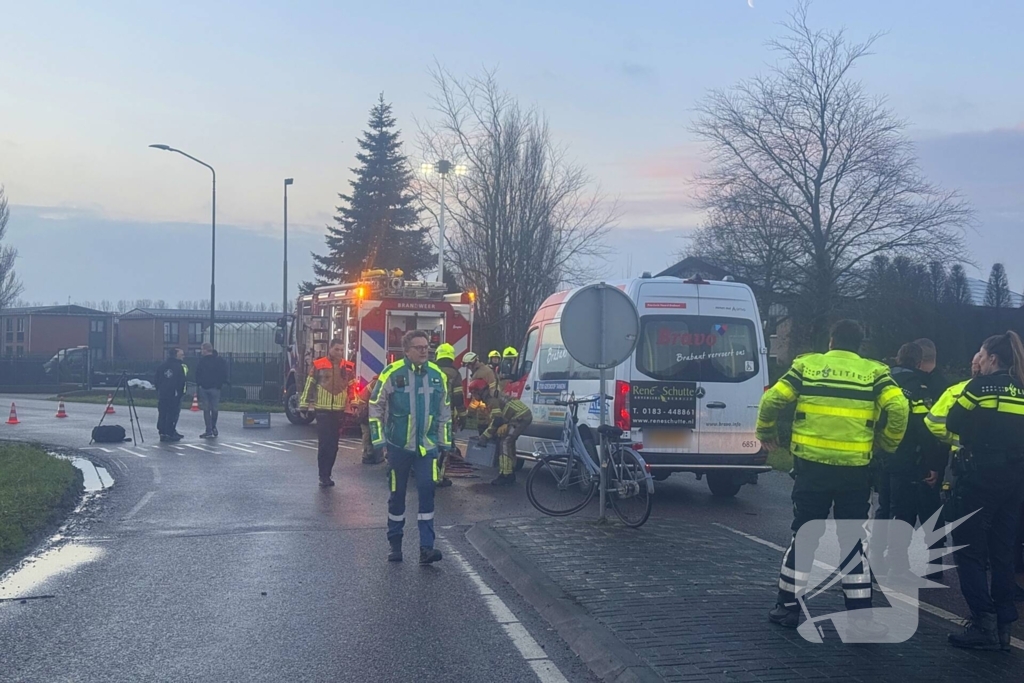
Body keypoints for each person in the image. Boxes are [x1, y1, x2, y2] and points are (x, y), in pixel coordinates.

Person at [757, 319, 908, 629]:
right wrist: (886, 444)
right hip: (855, 471)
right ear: (859, 345)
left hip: (812, 469)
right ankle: (860, 617)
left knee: (805, 536)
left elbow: (772, 399)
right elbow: (899, 409)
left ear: (831, 341)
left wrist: (767, 431)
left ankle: (787, 608)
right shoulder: (875, 373)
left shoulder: (808, 367)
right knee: (853, 541)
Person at [945, 331, 1024, 651]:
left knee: (969, 550)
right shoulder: (1022, 388)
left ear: (992, 358)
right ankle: (1004, 623)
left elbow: (953, 422)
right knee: (1002, 550)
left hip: (980, 476)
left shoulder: (978, 387)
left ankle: (983, 623)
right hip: (1015, 478)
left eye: (981, 353)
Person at [369, 330, 452, 564]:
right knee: (397, 495)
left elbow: (445, 412)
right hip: (398, 447)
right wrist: (379, 441)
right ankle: (395, 544)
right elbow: (375, 406)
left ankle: (427, 548)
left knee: (427, 491)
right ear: (406, 351)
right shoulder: (392, 373)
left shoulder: (437, 375)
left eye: (426, 347)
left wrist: (445, 443)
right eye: (419, 347)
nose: (425, 350)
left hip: (427, 448)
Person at [878, 342, 945, 577]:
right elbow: (926, 428)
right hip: (911, 458)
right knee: (912, 510)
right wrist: (934, 464)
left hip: (883, 456)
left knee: (886, 508)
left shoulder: (883, 381)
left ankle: (878, 561)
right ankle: (920, 566)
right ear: (918, 362)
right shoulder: (921, 386)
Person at [301, 339, 356, 488]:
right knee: (324, 444)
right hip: (322, 410)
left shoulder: (348, 367)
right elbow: (309, 385)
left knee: (334, 445)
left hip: (339, 410)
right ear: (330, 349)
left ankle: (328, 473)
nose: (339, 352)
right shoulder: (319, 365)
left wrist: (354, 403)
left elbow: (352, 387)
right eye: (336, 349)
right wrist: (304, 405)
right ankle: (323, 475)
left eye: (341, 350)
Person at [472, 379, 532, 486]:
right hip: (518, 415)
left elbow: (497, 420)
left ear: (479, 392)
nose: (473, 397)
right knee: (507, 441)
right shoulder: (491, 396)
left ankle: (506, 475)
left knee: (505, 442)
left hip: (520, 416)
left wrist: (485, 436)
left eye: (474, 393)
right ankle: (510, 470)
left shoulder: (491, 399)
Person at [433, 343, 466, 488]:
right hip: (446, 417)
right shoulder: (455, 374)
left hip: (428, 415)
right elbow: (458, 397)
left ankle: (424, 472)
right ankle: (439, 477)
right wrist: (463, 415)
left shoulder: (430, 370)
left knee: (428, 443)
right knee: (444, 446)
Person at [195, 342, 228, 439]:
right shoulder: (219, 360)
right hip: (215, 388)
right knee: (214, 409)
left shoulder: (202, 361)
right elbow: (224, 373)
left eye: (202, 349)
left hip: (204, 388)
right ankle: (213, 427)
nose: (201, 351)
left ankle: (208, 430)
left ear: (205, 350)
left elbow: (197, 373)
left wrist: (199, 383)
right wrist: (219, 384)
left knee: (206, 410)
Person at [154, 348, 187, 442]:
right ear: (176, 355)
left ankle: (162, 432)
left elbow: (156, 379)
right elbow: (181, 381)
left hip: (163, 393)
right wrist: (180, 393)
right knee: (172, 413)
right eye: (181, 354)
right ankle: (170, 432)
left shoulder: (162, 365)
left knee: (162, 413)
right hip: (174, 394)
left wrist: (159, 390)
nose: (183, 356)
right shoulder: (178, 366)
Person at [463, 352, 498, 433]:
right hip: (493, 403)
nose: (468, 368)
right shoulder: (487, 369)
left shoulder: (478, 375)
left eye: (468, 365)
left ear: (472, 363)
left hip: (484, 408)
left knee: (484, 429)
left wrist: (470, 411)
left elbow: (477, 397)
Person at [353, 376, 380, 465]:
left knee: (369, 433)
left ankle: (370, 454)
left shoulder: (376, 382)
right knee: (367, 433)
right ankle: (367, 455)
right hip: (365, 410)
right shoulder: (377, 383)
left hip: (365, 409)